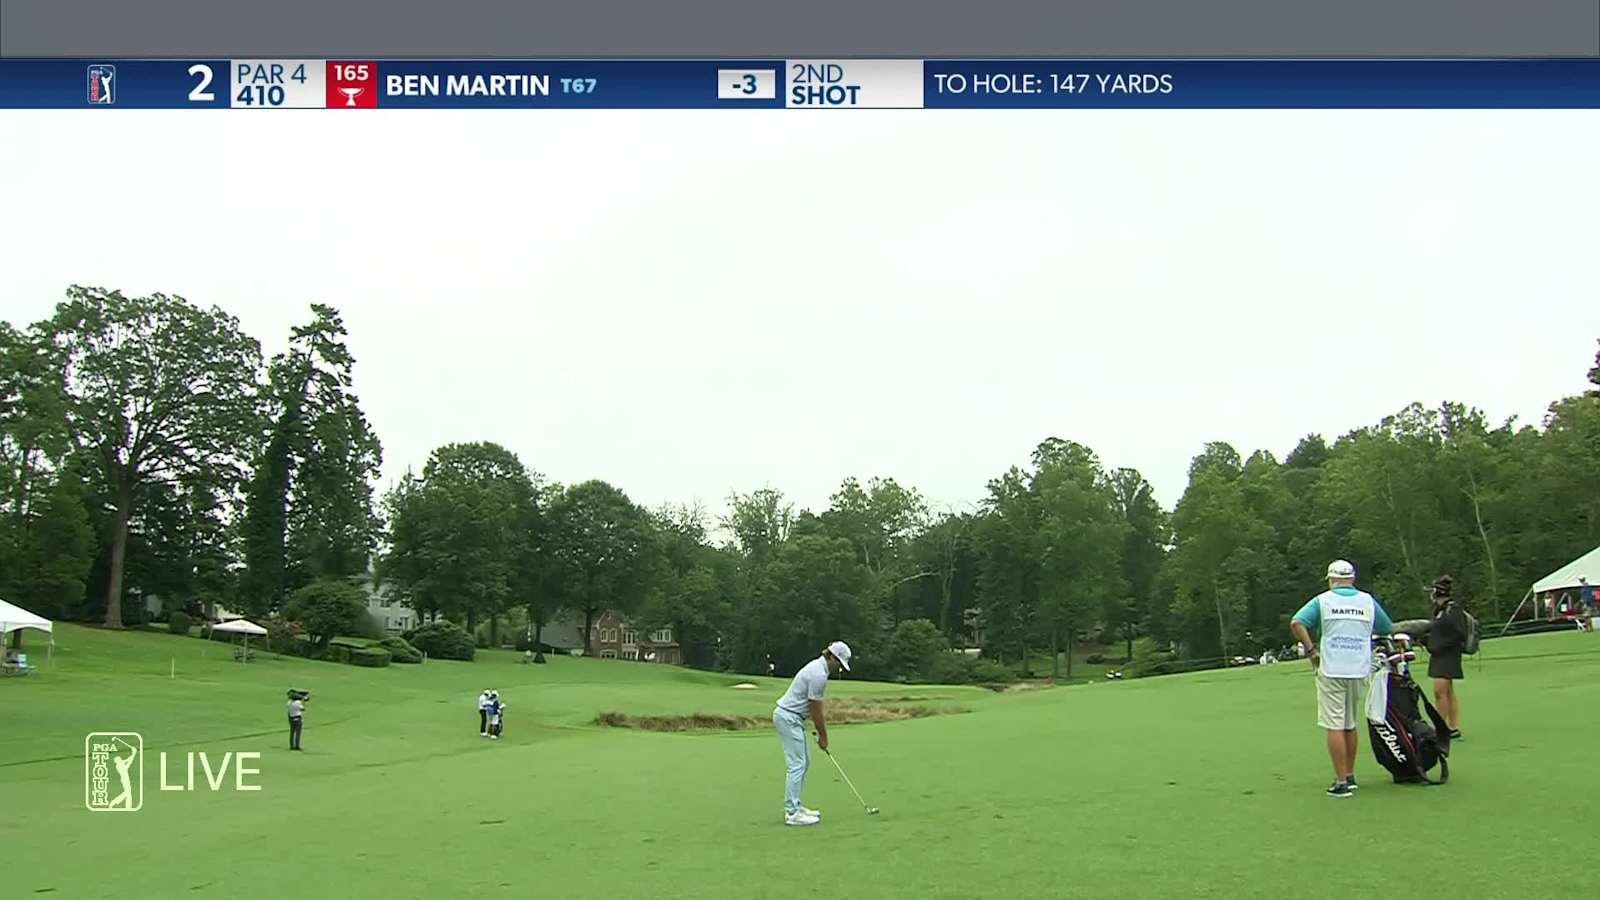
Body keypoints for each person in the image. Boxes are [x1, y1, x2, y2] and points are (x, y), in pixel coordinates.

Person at [1290, 560, 1394, 798]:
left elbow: (1297, 622)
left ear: (1331, 579)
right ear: (1352, 579)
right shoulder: (1367, 600)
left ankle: (1340, 783)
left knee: (1334, 724)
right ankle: (1349, 775)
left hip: (1331, 667)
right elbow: (1386, 626)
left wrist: (1311, 650)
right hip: (1359, 668)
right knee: (1349, 722)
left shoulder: (1323, 600)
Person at [772, 640, 851, 826]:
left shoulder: (818, 669)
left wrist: (816, 729)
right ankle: (792, 813)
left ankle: (796, 806)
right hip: (788, 717)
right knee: (797, 764)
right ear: (831, 656)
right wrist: (823, 736)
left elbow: (811, 708)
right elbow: (816, 709)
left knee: (803, 762)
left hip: (792, 717)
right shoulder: (818, 675)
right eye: (838, 662)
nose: (838, 667)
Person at [1425, 575, 1468, 741]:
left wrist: (1439, 645)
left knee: (1440, 691)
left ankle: (1442, 728)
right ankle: (1452, 727)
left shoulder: (1453, 609)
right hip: (1438, 655)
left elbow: (1460, 634)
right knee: (1447, 691)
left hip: (1448, 655)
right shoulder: (1439, 610)